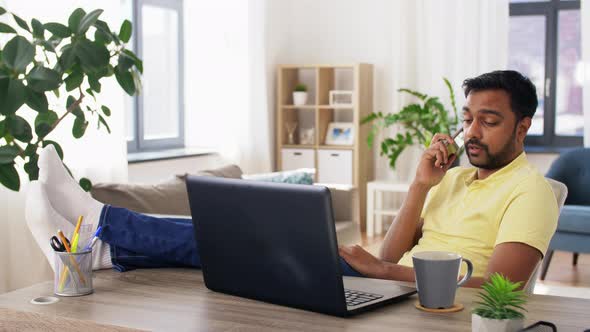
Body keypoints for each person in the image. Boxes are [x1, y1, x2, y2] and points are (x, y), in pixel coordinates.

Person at [27, 70, 557, 287]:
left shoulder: (529, 192)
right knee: (234, 250)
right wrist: (420, 185)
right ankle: (102, 243)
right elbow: (391, 255)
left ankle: (102, 229)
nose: (472, 132)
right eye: (467, 118)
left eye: (489, 121)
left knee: (243, 242)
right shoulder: (455, 179)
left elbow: (503, 287)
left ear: (523, 125)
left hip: (429, 303)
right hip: (390, 285)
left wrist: (380, 273)